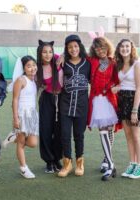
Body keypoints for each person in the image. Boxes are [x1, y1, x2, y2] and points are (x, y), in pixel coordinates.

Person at [57, 34, 91, 177]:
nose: (73, 49)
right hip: (65, 105)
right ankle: (67, 163)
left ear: (80, 47)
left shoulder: (87, 63)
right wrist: (59, 61)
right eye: (70, 47)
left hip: (82, 105)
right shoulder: (63, 63)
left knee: (79, 135)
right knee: (65, 135)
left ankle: (79, 163)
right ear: (66, 49)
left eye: (75, 46)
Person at [113, 39, 140, 179]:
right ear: (119, 49)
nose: (125, 49)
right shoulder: (119, 64)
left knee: (137, 136)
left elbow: (139, 88)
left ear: (131, 48)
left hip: (135, 102)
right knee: (128, 136)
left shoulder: (137, 64)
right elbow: (123, 83)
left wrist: (134, 110)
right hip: (123, 100)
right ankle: (132, 163)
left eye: (127, 46)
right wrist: (117, 87)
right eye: (122, 46)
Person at [87, 37, 119, 181]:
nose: (100, 51)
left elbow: (117, 79)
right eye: (97, 48)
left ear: (107, 47)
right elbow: (77, 54)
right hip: (97, 99)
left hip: (109, 99)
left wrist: (112, 86)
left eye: (102, 47)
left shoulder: (113, 62)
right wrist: (61, 55)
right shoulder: (91, 61)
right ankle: (110, 163)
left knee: (109, 129)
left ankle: (107, 161)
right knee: (103, 130)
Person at [3, 56, 39, 179]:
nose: (32, 68)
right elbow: (15, 99)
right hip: (22, 114)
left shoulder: (34, 80)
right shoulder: (21, 80)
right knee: (22, 143)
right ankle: (23, 168)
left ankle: (13, 137)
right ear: (23, 68)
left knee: (33, 143)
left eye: (34, 65)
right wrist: (16, 118)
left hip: (32, 115)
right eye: (28, 66)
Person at [36, 40, 63, 173]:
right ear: (40, 53)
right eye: (44, 52)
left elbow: (69, 54)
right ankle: (49, 161)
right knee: (46, 130)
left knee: (59, 131)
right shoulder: (37, 67)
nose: (48, 54)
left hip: (61, 99)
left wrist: (62, 55)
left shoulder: (58, 59)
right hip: (47, 99)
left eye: (50, 51)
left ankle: (57, 158)